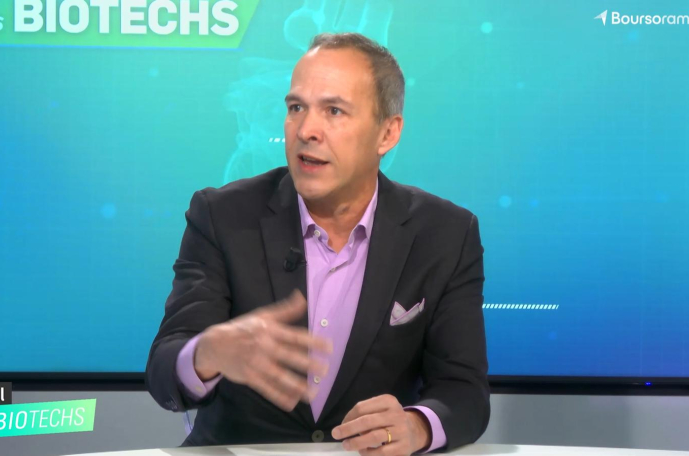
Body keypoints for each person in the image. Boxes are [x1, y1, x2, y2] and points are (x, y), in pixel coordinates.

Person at [146, 32, 490, 455]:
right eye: (296, 108)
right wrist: (206, 353)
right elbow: (163, 372)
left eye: (334, 111)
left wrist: (416, 426)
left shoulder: (445, 234)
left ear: (387, 133)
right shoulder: (222, 216)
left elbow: (465, 392)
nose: (307, 130)